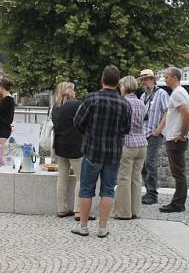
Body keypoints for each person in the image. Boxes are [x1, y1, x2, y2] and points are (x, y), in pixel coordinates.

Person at [71, 66, 131, 238]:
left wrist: (89, 133)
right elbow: (126, 129)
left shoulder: (91, 99)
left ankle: (83, 226)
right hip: (113, 153)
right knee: (108, 190)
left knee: (86, 189)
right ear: (118, 82)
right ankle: (103, 228)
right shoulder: (124, 103)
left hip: (92, 151)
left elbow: (77, 122)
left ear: (102, 79)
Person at [113, 76, 147, 220]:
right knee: (137, 178)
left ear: (125, 87)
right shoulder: (141, 103)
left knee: (124, 178)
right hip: (142, 142)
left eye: (121, 86)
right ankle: (135, 210)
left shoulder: (123, 103)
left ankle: (123, 212)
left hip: (128, 142)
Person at [159, 66, 189, 213]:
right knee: (179, 172)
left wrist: (183, 133)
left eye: (166, 76)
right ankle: (178, 201)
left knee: (178, 172)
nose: (164, 79)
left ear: (174, 77)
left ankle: (178, 203)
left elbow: (187, 114)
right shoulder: (181, 92)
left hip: (175, 138)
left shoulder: (177, 94)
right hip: (175, 136)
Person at [51, 81, 83, 219]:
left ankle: (61, 209)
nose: (75, 92)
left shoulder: (55, 107)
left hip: (60, 145)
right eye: (73, 90)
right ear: (69, 91)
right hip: (75, 146)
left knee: (62, 177)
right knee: (81, 178)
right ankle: (78, 210)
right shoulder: (76, 104)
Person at [138, 68, 168, 205]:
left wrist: (159, 129)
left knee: (150, 162)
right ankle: (148, 190)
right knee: (143, 165)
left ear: (152, 80)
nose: (144, 82)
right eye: (142, 80)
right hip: (144, 134)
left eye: (146, 79)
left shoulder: (161, 93)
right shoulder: (143, 96)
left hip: (154, 134)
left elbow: (167, 112)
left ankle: (152, 193)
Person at [0, 77, 15, 163]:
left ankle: (1, 171)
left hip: (1, 128)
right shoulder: (7, 99)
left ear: (1, 86)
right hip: (2, 128)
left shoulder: (7, 99)